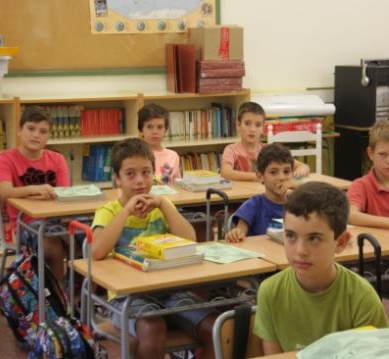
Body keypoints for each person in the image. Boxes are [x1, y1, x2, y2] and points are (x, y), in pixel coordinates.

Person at [91, 138, 216, 359]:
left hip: (171, 292)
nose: (140, 181)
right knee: (152, 328)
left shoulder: (161, 207)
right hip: (126, 298)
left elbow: (190, 240)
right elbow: (97, 251)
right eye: (130, 174)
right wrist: (126, 211)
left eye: (146, 172)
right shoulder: (108, 211)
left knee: (217, 328)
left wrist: (164, 204)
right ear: (117, 179)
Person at [253, 182, 389, 354]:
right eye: (290, 236)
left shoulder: (361, 296)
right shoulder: (270, 292)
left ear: (340, 242)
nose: (300, 251)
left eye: (314, 238)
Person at [0, 105, 70, 281]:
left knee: (91, 240)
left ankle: (78, 294)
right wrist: (34, 189)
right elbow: (4, 192)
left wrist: (51, 194)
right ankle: (57, 302)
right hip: (25, 225)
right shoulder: (5, 159)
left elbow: (65, 193)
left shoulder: (57, 159)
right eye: (31, 128)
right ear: (19, 130)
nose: (36, 135)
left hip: (57, 220)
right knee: (52, 246)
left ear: (48, 136)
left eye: (43, 131)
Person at [220, 101, 310, 181]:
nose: (252, 129)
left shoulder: (270, 150)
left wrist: (299, 171)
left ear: (263, 128)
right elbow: (226, 172)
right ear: (238, 125)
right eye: (247, 124)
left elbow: (303, 166)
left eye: (258, 125)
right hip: (241, 197)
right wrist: (259, 177)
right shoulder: (231, 150)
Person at [225, 143, 296, 242]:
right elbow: (240, 232)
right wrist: (235, 234)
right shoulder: (253, 205)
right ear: (260, 176)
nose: (281, 177)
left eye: (287, 171)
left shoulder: (298, 204)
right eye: (273, 172)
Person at [138, 103, 181, 184]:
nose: (155, 132)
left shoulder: (173, 156)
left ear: (165, 130)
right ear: (141, 130)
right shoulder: (134, 154)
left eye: (160, 127)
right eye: (149, 127)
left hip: (166, 196)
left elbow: (177, 186)